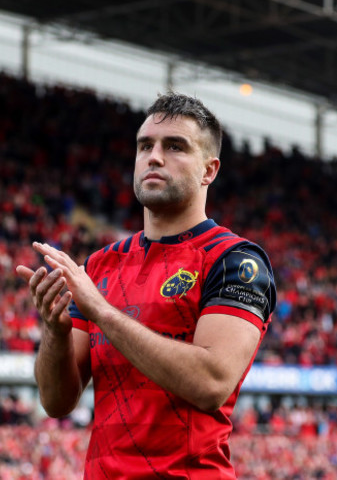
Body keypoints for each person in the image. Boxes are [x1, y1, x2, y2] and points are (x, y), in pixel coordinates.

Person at [16, 92, 276, 479]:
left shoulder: (235, 260)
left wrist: (102, 313)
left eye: (175, 147)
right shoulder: (101, 265)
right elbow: (56, 402)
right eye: (145, 146)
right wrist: (55, 331)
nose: (154, 157)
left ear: (209, 170)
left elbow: (211, 382)